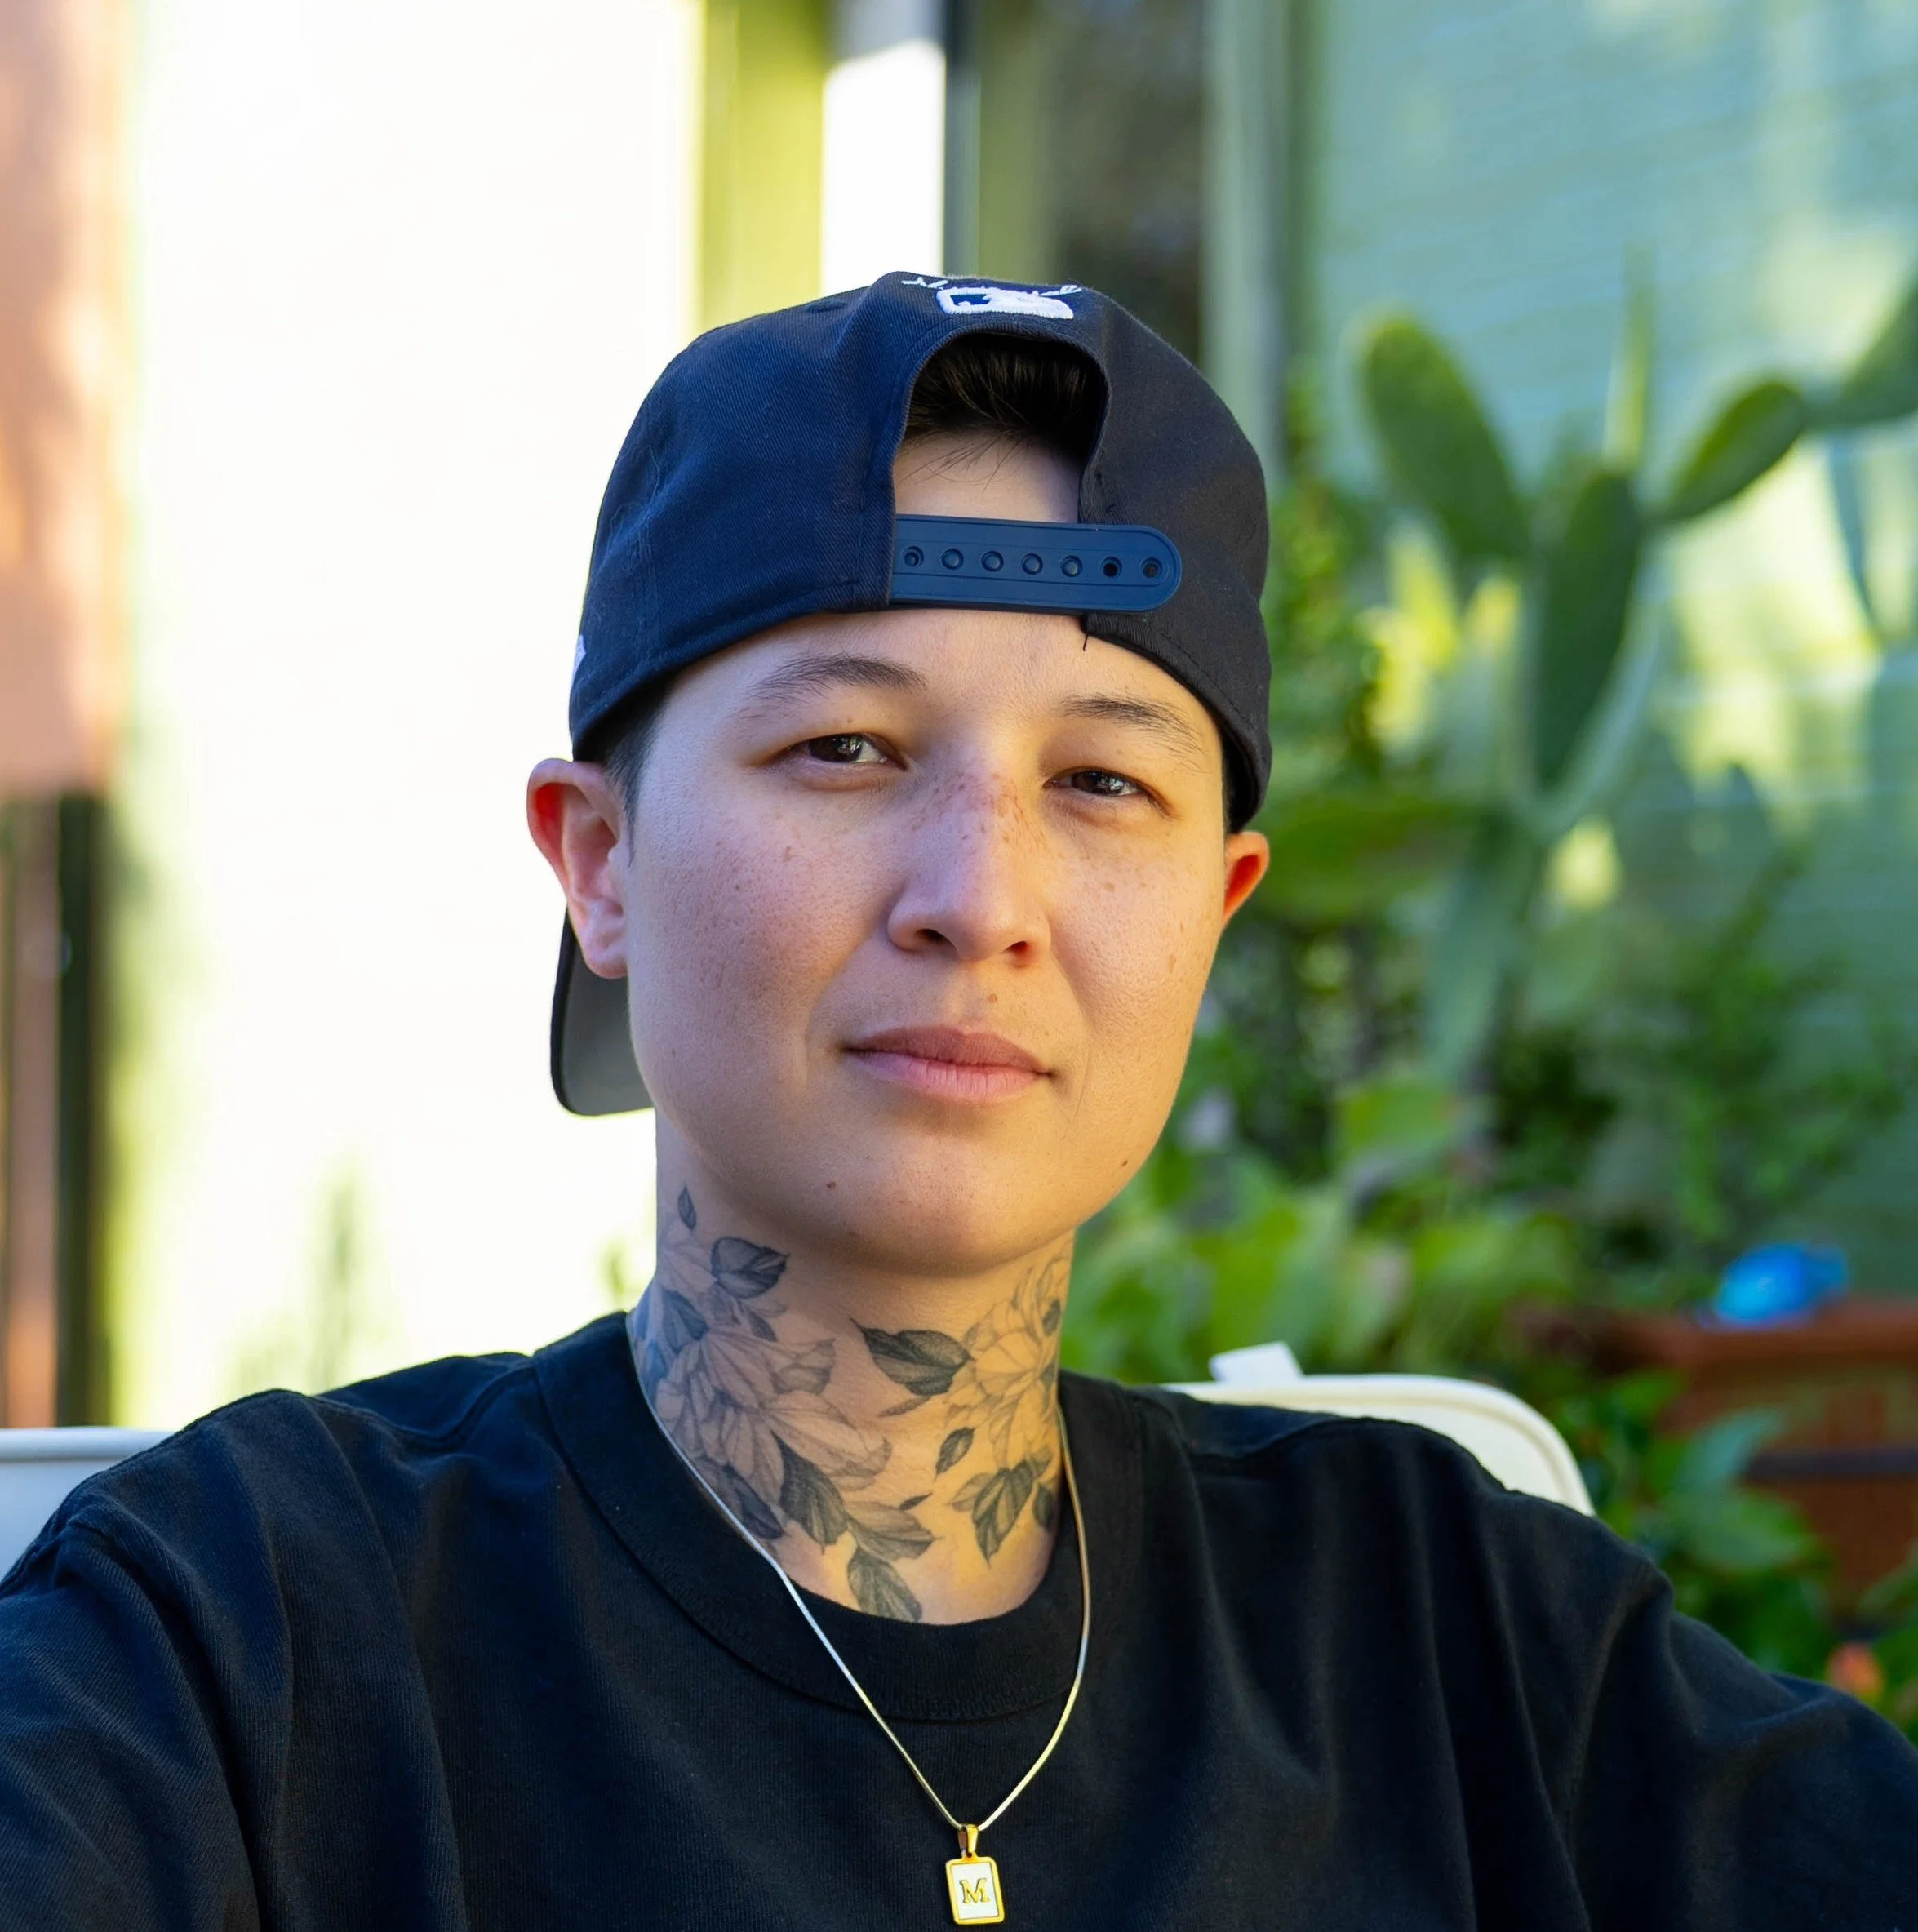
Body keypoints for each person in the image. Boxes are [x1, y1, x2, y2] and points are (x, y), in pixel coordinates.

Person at [2, 273, 1916, 1930]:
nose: (979, 898)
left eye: (1103, 785)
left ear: (1213, 908)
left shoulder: (1457, 1641)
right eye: (845, 746)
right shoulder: (240, 1644)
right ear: (596, 863)